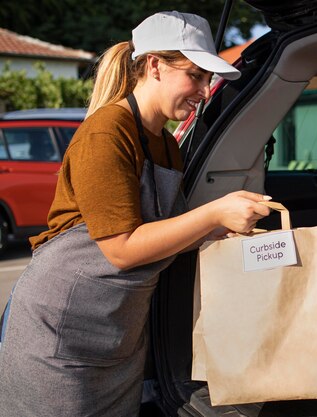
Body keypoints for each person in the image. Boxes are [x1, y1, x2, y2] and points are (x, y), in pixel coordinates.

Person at [0, 11, 271, 416]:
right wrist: (214, 213)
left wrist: (221, 233)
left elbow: (165, 233)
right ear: (155, 65)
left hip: (119, 338)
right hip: (59, 338)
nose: (203, 90)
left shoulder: (167, 146)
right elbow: (122, 248)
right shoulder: (106, 133)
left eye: (206, 79)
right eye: (195, 75)